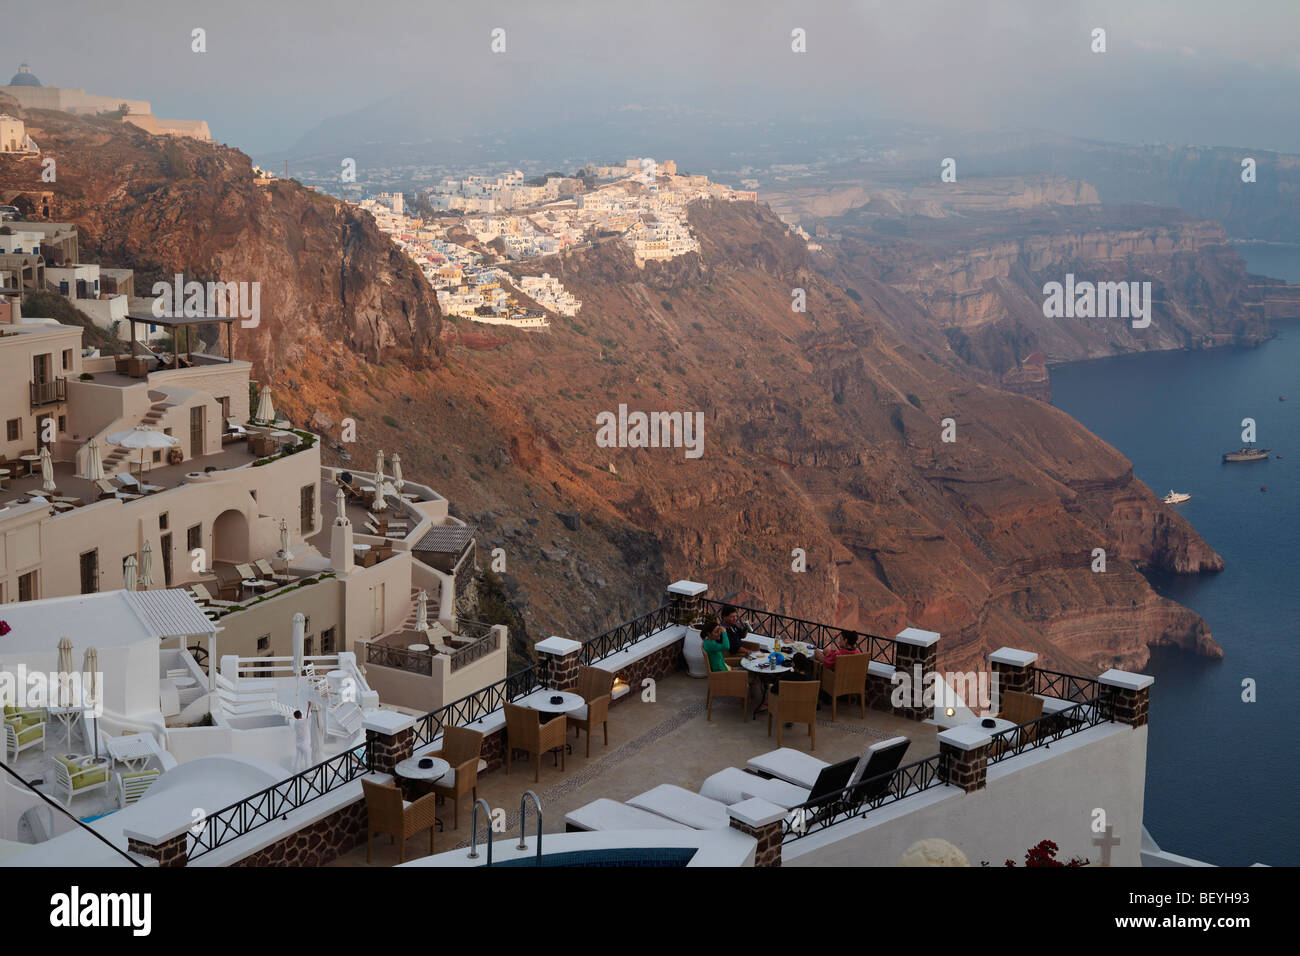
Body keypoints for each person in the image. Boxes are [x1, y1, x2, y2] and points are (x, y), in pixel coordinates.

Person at [292, 704, 313, 772]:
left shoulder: (295, 723)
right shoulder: (303, 721)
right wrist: (309, 707)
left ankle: (296, 772)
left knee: (298, 759)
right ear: (301, 715)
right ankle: (308, 774)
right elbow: (308, 717)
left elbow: (306, 718)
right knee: (308, 759)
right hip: (305, 744)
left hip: (298, 744)